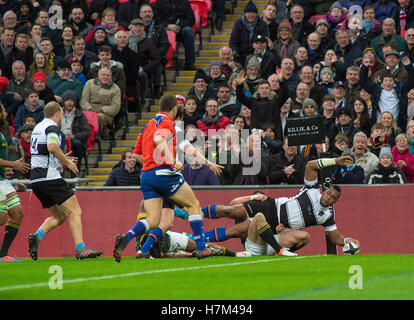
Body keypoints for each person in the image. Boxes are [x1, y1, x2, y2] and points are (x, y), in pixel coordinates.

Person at [183, 153, 359, 255]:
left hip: (278, 227)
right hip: (272, 207)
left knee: (234, 231)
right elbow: (311, 165)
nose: (329, 197)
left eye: (333, 198)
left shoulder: (326, 216)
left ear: (335, 201)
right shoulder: (312, 189)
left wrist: (347, 241)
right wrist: (336, 161)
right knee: (228, 210)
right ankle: (185, 213)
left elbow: (335, 238)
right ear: (324, 190)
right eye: (329, 193)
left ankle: (194, 239)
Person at [113, 95, 217, 262]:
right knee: (193, 205)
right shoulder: (168, 122)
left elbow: (137, 154)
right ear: (174, 109)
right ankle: (201, 247)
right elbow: (159, 139)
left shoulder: (147, 126)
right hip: (164, 174)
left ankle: (129, 236)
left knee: (153, 220)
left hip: (146, 176)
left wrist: (207, 162)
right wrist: (172, 160)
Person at [27, 101, 103, 260]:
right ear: (58, 114)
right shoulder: (52, 127)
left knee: (60, 216)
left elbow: (44, 151)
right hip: (50, 178)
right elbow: (52, 147)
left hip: (36, 179)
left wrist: (60, 159)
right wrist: (67, 162)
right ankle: (81, 249)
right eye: (61, 114)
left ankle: (37, 236)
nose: (61, 117)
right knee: (75, 211)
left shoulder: (37, 127)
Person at [0, 103, 30, 261]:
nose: (5, 113)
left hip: (2, 180)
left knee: (17, 214)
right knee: (2, 218)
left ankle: (3, 254)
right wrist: (12, 164)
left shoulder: (1, 133)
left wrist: (4, 170)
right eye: (3, 110)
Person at [359, 55, 414, 130]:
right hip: (379, 126)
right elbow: (363, 81)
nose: (388, 83)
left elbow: (411, 80)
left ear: (394, 82)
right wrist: (364, 67)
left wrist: (408, 66)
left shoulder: (401, 88)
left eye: (390, 80)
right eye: (386, 81)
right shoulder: (376, 89)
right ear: (381, 83)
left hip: (397, 126)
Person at [154, 0, 196, 70]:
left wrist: (179, 26)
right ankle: (162, 62)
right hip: (165, 29)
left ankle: (190, 63)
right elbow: (156, 19)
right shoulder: (159, 2)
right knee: (160, 31)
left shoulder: (184, 2)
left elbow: (191, 19)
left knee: (188, 31)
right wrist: (168, 26)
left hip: (180, 29)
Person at [229, 0, 269, 65]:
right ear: (244, 14)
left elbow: (266, 40)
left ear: (256, 14)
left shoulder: (262, 24)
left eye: (253, 13)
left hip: (258, 54)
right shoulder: (238, 23)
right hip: (240, 55)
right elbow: (233, 42)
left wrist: (258, 54)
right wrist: (236, 54)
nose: (251, 15)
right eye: (248, 13)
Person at [60, 91, 91, 171]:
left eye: (71, 100)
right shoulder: (57, 113)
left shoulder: (79, 114)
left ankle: (76, 170)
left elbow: (87, 132)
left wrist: (74, 136)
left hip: (73, 139)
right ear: (63, 102)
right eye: (67, 100)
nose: (69, 103)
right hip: (59, 139)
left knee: (78, 144)